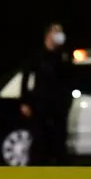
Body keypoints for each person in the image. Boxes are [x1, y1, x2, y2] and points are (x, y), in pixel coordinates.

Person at [18, 23, 75, 166]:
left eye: (61, 31)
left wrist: (67, 101)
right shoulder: (37, 56)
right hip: (40, 104)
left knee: (59, 139)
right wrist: (24, 101)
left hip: (59, 106)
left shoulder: (63, 56)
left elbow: (69, 80)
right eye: (56, 31)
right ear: (48, 35)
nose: (60, 35)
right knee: (39, 139)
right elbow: (26, 79)